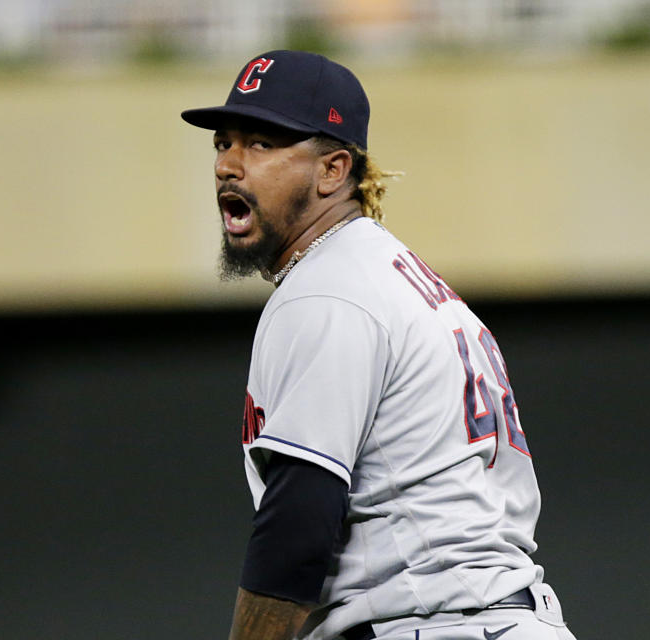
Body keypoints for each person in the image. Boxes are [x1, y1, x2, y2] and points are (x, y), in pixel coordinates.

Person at [182, 50, 577, 640]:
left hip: (432, 624)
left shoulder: (328, 290)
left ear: (333, 171)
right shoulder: (392, 275)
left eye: (261, 143)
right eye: (223, 142)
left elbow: (297, 526)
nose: (229, 165)